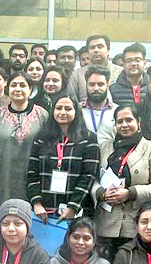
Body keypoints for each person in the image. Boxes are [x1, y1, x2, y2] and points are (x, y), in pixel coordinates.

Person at [90, 104, 151, 259]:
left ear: (138, 122)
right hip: (105, 220)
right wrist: (100, 192)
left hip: (134, 221)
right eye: (120, 121)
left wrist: (131, 193)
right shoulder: (104, 147)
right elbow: (91, 178)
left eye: (129, 120)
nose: (124, 125)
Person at [27, 93, 99, 222]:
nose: (62, 112)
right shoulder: (41, 138)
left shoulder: (88, 138)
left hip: (76, 210)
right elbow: (32, 173)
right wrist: (36, 202)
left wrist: (72, 206)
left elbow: (88, 175)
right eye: (58, 108)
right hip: (43, 210)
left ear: (76, 111)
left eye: (68, 108)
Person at [0, 72, 49, 205]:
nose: (18, 89)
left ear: (30, 89)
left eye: (22, 85)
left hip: (33, 181)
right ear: (8, 89)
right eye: (14, 85)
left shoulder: (42, 115)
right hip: (2, 179)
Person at [67, 35, 124, 103]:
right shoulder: (77, 75)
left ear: (108, 50)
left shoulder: (121, 72)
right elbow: (71, 102)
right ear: (88, 52)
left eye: (100, 47)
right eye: (92, 47)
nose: (96, 50)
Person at [80, 66, 117, 150]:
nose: (96, 88)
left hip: (109, 159)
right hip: (84, 159)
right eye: (92, 84)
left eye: (100, 84)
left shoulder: (118, 111)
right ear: (86, 85)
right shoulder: (76, 110)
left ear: (107, 85)